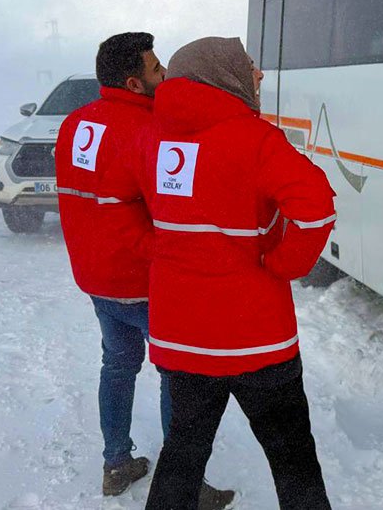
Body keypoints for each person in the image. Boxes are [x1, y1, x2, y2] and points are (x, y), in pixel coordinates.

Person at [144, 37, 336, 510]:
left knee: (182, 456)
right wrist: (284, 264)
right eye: (249, 66)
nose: (259, 74)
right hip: (257, 339)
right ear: (223, 76)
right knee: (293, 458)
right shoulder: (255, 139)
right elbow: (315, 210)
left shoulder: (151, 137)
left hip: (183, 337)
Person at [55, 32, 235, 509]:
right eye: (157, 71)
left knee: (117, 364)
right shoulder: (150, 130)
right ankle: (184, 483)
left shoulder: (75, 124)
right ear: (134, 83)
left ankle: (117, 463)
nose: (166, 76)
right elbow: (173, 207)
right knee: (178, 375)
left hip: (97, 279)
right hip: (146, 281)